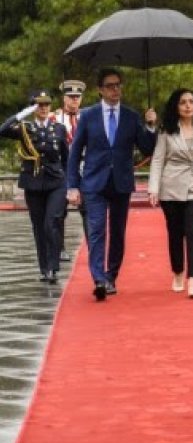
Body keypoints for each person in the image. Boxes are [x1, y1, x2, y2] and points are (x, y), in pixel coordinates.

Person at [67, 67, 157, 301]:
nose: (115, 89)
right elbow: (75, 152)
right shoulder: (88, 115)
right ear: (100, 90)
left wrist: (150, 126)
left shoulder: (131, 116)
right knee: (96, 230)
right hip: (94, 182)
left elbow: (148, 148)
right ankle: (98, 279)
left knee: (117, 232)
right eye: (110, 85)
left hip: (121, 183)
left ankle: (110, 276)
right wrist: (72, 186)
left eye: (118, 85)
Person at [148, 88, 193, 299]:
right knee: (176, 233)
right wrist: (153, 188)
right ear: (176, 107)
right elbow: (158, 159)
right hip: (172, 186)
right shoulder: (166, 130)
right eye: (183, 102)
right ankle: (178, 272)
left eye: (191, 101)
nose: (188, 106)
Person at [0, 89, 68, 283]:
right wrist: (23, 114)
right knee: (39, 227)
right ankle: (44, 268)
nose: (44, 108)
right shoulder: (25, 128)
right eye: (39, 105)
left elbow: (66, 158)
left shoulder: (59, 129)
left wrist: (69, 184)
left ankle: (54, 267)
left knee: (51, 223)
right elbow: (3, 129)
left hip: (56, 183)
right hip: (34, 184)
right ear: (33, 107)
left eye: (47, 104)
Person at [53, 79, 87, 255]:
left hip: (84, 167)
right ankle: (60, 247)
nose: (74, 100)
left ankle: (91, 244)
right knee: (59, 211)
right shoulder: (54, 118)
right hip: (61, 168)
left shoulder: (87, 117)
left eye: (77, 97)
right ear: (64, 98)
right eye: (71, 97)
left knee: (87, 209)